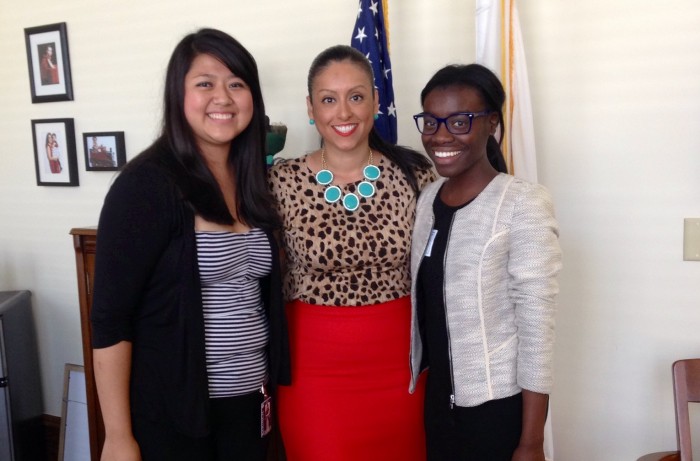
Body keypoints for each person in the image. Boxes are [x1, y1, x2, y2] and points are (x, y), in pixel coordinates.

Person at [90, 28, 290, 461]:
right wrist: (118, 436)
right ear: (177, 96)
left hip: (251, 400)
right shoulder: (145, 186)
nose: (223, 97)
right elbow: (110, 319)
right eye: (205, 84)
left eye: (237, 84)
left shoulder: (255, 181)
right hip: (174, 409)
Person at [268, 45, 434, 461]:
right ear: (311, 108)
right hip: (312, 370)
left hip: (399, 369)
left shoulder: (417, 174)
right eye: (328, 99)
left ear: (376, 102)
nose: (343, 113)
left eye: (356, 97)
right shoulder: (279, 180)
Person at [409, 63, 562, 461]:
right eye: (431, 121)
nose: (440, 135)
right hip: (437, 404)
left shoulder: (522, 204)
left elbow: (536, 332)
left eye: (460, 122)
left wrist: (530, 441)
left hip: (496, 410)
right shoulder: (427, 200)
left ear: (491, 122)